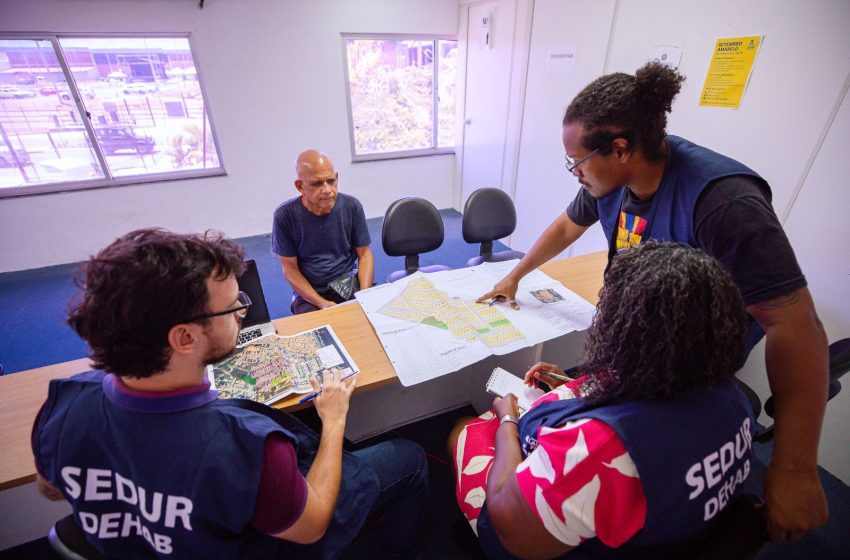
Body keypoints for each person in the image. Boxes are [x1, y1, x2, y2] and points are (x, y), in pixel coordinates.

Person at [477, 62, 829, 542]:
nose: (574, 172)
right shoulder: (608, 180)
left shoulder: (724, 203)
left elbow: (795, 323)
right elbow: (565, 226)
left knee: (652, 451)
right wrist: (514, 276)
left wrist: (795, 468)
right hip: (642, 355)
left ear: (621, 149)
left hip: (693, 364)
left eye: (577, 161)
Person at [31, 228, 427, 559]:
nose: (242, 311)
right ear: (185, 338)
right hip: (272, 538)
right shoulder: (246, 444)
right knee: (409, 457)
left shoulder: (63, 403)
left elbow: (50, 488)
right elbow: (312, 525)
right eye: (232, 307)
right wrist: (335, 419)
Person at [453, 242, 756, 558]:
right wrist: (572, 386)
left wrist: (507, 420)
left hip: (533, 537)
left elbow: (509, 522)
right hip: (672, 532)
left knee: (464, 430)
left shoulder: (599, 451)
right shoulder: (733, 400)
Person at [272, 149, 374, 315]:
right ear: (300, 186)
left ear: (337, 178)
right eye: (317, 183)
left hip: (346, 282)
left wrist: (365, 294)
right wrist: (321, 302)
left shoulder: (352, 206)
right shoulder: (285, 216)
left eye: (331, 181)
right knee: (319, 328)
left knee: (368, 320)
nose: (327, 190)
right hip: (311, 291)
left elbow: (364, 254)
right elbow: (290, 268)